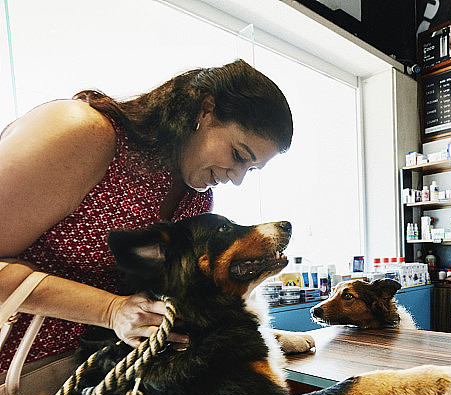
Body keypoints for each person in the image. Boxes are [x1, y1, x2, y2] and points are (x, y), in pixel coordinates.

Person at [0, 59, 293, 372]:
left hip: (110, 371)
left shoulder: (196, 198)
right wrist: (110, 310)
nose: (236, 178)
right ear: (205, 110)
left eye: (250, 170)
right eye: (237, 155)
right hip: (21, 373)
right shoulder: (83, 131)